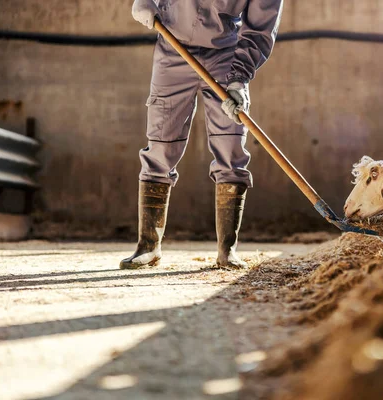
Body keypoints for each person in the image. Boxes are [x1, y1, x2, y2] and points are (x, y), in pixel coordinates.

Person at [120, 0, 284, 270]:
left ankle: (227, 250)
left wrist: (238, 79)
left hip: (227, 58)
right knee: (160, 147)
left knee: (231, 150)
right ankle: (148, 245)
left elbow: (260, 30)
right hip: (173, 45)